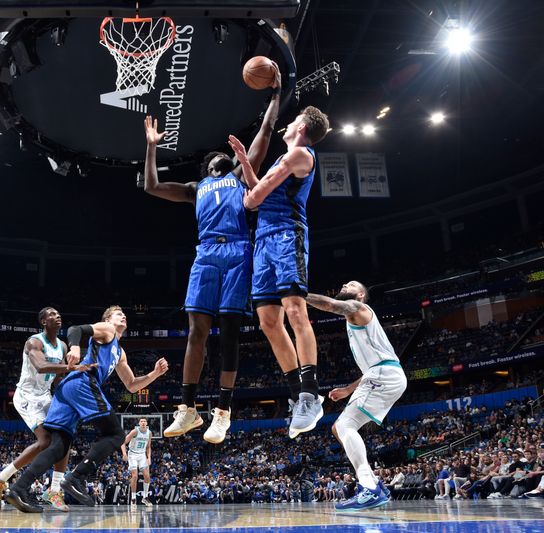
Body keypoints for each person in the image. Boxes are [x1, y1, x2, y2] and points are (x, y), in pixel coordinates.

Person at [142, 66, 282, 444]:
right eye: (215, 156)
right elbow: (151, 185)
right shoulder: (195, 187)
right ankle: (187, 410)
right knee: (196, 332)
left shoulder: (238, 175)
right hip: (206, 254)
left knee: (231, 333)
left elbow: (266, 135)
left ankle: (222, 412)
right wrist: (152, 145)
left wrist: (275, 96)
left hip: (237, 250)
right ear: (207, 166)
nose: (220, 156)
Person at [4, 306, 169, 513]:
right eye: (118, 314)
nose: (123, 316)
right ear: (108, 319)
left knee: (58, 446)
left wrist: (154, 374)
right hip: (82, 382)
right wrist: (74, 347)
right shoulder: (107, 329)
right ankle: (77, 477)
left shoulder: (119, 352)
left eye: (123, 314)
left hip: (66, 390)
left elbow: (132, 384)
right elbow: (75, 329)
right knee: (116, 435)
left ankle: (19, 488)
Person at [228, 105, 329, 438]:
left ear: (301, 127)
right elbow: (261, 191)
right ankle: (294, 396)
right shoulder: (282, 160)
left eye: (292, 120)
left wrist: (250, 193)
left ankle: (311, 394)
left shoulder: (301, 155)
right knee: (268, 321)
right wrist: (245, 161)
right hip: (264, 240)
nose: (286, 123)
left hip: (287, 234)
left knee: (296, 312)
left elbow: (252, 199)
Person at [305, 281, 407, 510]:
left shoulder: (359, 308)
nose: (344, 284)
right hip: (381, 374)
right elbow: (373, 366)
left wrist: (299, 294)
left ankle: (369, 488)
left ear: (360, 295)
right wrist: (348, 390)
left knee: (344, 426)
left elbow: (331, 305)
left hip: (384, 374)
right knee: (338, 428)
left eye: (351, 284)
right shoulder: (355, 321)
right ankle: (374, 485)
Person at [0, 307, 95, 512]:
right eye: (52, 315)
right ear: (44, 322)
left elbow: (58, 377)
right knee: (45, 441)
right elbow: (41, 366)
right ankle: (0, 478)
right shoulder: (34, 342)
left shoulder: (62, 346)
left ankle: (54, 489)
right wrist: (71, 368)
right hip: (27, 396)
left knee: (65, 435)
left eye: (58, 314)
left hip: (45, 396)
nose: (58, 316)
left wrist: (74, 392)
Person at [121, 418, 153, 508]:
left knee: (147, 476)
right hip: (132, 455)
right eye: (141, 421)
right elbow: (123, 442)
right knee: (135, 476)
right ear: (139, 423)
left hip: (142, 455)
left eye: (144, 421)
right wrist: (124, 454)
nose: (143, 423)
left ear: (147, 423)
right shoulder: (134, 431)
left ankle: (145, 497)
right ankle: (133, 498)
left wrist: (149, 457)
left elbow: (148, 446)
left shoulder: (149, 433)